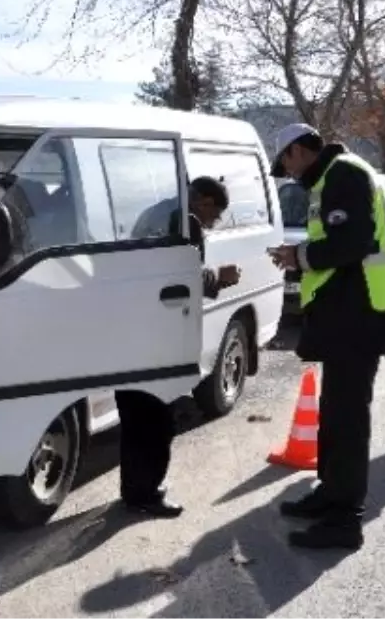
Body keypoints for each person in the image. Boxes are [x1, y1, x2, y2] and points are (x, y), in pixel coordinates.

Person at [267, 123, 385, 550]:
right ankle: (330, 493)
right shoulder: (329, 180)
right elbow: (338, 242)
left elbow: (352, 242)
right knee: (336, 411)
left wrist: (299, 255)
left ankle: (345, 520)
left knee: (347, 418)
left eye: (285, 163)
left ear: (298, 151)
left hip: (359, 315)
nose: (287, 173)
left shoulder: (344, 174)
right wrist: (301, 256)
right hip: (346, 315)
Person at [117, 175, 241, 518]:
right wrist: (220, 277)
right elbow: (184, 278)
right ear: (202, 202)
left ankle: (133, 490)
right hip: (158, 333)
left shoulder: (154, 213)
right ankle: (147, 494)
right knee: (157, 420)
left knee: (134, 417)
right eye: (214, 216)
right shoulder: (185, 223)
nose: (211, 224)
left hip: (131, 330)